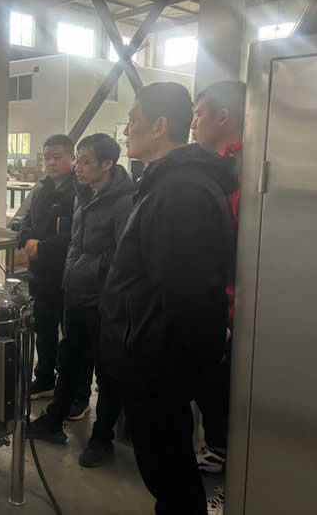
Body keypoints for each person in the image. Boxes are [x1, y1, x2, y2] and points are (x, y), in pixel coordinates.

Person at [101, 82, 235, 515]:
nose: (126, 131)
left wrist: (170, 369)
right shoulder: (167, 183)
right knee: (167, 470)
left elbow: (188, 290)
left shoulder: (180, 191)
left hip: (158, 363)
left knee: (170, 475)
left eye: (132, 121)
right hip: (151, 354)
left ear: (159, 126)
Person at [29, 134, 134, 467]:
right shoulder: (84, 194)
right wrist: (71, 279)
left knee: (107, 372)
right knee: (70, 360)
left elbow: (123, 258)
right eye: (78, 159)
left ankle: (102, 439)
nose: (79, 167)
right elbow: (76, 245)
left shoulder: (124, 202)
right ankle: (54, 419)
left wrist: (95, 282)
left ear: (107, 164)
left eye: (87, 161)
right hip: (75, 293)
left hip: (104, 301)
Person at [191, 81, 246, 515]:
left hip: (237, 306)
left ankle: (240, 485)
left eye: (199, 113)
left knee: (234, 397)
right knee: (213, 390)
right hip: (222, 301)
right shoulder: (224, 166)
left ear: (223, 117)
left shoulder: (241, 170)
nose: (194, 123)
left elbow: (236, 248)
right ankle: (220, 452)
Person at [16, 134, 77, 400]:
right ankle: (44, 378)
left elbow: (75, 236)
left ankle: (71, 388)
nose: (51, 163)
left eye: (57, 157)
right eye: (47, 158)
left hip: (67, 274)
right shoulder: (41, 190)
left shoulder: (79, 192)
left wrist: (42, 246)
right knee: (44, 329)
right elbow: (26, 221)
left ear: (72, 158)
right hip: (40, 274)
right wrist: (28, 239)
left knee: (71, 334)